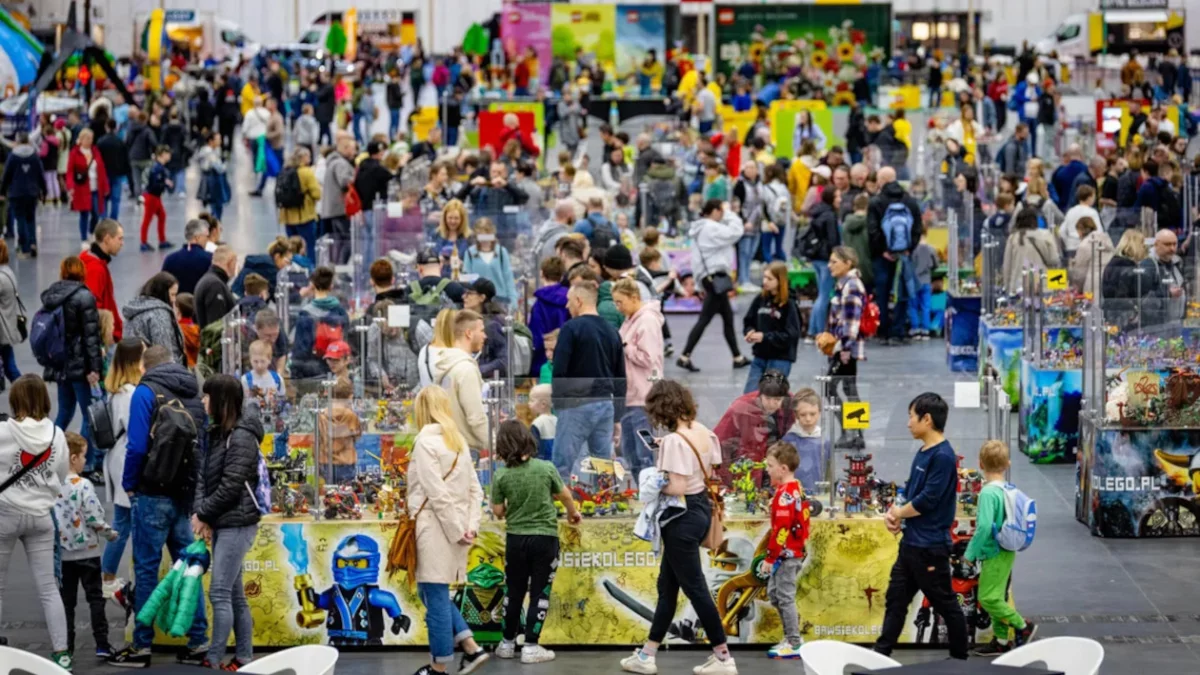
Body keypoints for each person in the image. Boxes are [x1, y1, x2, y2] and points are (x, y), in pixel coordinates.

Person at [620, 379, 737, 675]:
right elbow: (710, 468)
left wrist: (655, 478)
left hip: (680, 517)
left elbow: (677, 485)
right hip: (700, 511)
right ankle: (647, 654)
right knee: (668, 586)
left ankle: (724, 658)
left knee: (695, 589)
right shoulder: (705, 432)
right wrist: (670, 454)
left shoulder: (674, 441)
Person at [108, 346, 210, 667]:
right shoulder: (194, 392)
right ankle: (198, 641)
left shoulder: (145, 392)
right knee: (188, 569)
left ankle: (141, 645)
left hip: (151, 492)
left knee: (148, 568)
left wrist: (129, 483)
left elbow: (137, 445)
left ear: (143, 366)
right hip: (184, 494)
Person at [874, 393, 968, 659]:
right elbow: (913, 492)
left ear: (927, 419)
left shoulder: (944, 457)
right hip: (911, 545)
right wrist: (896, 515)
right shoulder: (924, 451)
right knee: (896, 601)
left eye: (911, 416)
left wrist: (899, 513)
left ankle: (960, 660)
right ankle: (881, 655)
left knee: (946, 604)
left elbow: (928, 499)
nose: (908, 423)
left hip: (930, 548)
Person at [408, 385, 489, 675]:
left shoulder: (424, 443)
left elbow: (436, 492)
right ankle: (470, 647)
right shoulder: (458, 442)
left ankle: (439, 666)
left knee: (436, 598)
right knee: (431, 592)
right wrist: (469, 527)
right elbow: (475, 490)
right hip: (457, 528)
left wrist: (456, 529)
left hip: (436, 527)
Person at [491, 421, 581, 664]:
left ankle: (507, 643)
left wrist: (514, 506)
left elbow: (498, 511)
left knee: (514, 592)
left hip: (516, 540)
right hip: (545, 539)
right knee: (540, 592)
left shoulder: (501, 475)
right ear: (528, 440)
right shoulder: (545, 468)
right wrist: (573, 513)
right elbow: (564, 495)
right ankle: (531, 645)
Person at [0, 375, 71, 669]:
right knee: (48, 588)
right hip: (41, 516)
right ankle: (61, 653)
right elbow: (63, 474)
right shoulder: (57, 435)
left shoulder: (4, 430)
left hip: (4, 512)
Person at [194, 374, 263, 670]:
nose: (202, 401)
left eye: (207, 396)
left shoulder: (242, 436)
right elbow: (203, 477)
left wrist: (203, 513)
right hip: (223, 520)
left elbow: (231, 485)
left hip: (238, 522)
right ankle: (244, 656)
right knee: (234, 595)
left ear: (220, 400)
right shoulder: (218, 432)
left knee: (219, 592)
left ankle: (214, 657)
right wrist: (204, 515)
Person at [964, 441, 1037, 656]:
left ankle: (1023, 626)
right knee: (998, 596)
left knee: (988, 598)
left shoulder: (988, 493)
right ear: (1007, 464)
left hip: (992, 551)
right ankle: (1002, 641)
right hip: (1007, 548)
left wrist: (969, 555)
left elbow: (985, 526)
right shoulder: (1007, 489)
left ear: (980, 464)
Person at [551, 273, 627, 478]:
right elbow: (621, 376)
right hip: (605, 405)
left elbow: (559, 371)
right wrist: (618, 416)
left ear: (578, 300)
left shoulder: (570, 329)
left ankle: (562, 507)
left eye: (568, 301)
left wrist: (557, 405)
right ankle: (603, 504)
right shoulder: (612, 331)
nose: (567, 306)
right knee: (602, 465)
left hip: (575, 404)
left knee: (562, 464)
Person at [55, 430, 118, 658]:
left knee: (66, 603)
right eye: (83, 456)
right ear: (73, 458)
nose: (85, 461)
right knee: (95, 599)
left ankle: (66, 647)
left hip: (63, 555)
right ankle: (102, 643)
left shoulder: (53, 485)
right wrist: (110, 533)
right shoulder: (84, 485)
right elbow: (94, 518)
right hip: (88, 552)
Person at [42, 256, 104, 474]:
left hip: (60, 363)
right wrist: (94, 367)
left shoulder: (53, 296)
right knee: (89, 414)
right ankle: (85, 461)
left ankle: (49, 454)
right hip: (80, 366)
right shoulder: (84, 296)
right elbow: (91, 336)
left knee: (65, 411)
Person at [678, 199, 749, 372]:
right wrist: (731, 213)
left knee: (727, 318)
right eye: (721, 212)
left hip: (709, 278)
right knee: (705, 319)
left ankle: (737, 356)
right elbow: (735, 232)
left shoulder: (700, 228)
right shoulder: (710, 227)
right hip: (715, 278)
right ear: (716, 211)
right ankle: (684, 356)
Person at [100, 338, 144, 601]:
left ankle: (107, 574)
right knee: (123, 523)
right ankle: (107, 576)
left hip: (117, 457)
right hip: (125, 460)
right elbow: (134, 431)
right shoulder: (129, 394)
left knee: (122, 521)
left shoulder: (117, 390)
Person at [761, 442, 812, 660]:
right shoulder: (794, 488)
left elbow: (781, 530)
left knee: (784, 596)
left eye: (770, 465)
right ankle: (791, 637)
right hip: (790, 552)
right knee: (775, 595)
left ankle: (794, 641)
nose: (766, 468)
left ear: (783, 468)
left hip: (787, 555)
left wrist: (771, 558)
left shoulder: (784, 496)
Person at [613, 277, 664, 479]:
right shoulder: (630, 319)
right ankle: (641, 492)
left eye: (620, 302)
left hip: (643, 396)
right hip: (629, 394)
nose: (618, 307)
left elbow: (648, 358)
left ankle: (650, 493)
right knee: (630, 452)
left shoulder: (647, 321)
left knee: (644, 452)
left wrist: (626, 347)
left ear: (634, 297)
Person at [866, 167, 922, 344]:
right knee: (902, 292)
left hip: (882, 257)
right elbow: (917, 229)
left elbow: (872, 230)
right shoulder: (910, 201)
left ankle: (883, 330)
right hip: (904, 256)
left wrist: (882, 250)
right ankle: (898, 330)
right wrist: (908, 249)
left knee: (882, 293)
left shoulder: (876, 202)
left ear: (881, 181)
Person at [430, 310, 491, 449]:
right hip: (467, 449)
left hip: (451, 445)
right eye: (481, 331)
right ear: (469, 333)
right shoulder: (466, 370)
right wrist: (496, 446)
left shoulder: (446, 365)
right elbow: (476, 418)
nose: (485, 336)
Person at [827, 247, 867, 447]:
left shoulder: (851, 286)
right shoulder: (844, 284)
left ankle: (850, 433)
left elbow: (852, 321)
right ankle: (856, 434)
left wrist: (843, 347)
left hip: (844, 349)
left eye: (834, 261)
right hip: (842, 347)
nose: (829, 265)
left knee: (832, 388)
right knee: (848, 388)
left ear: (848, 263)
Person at [741, 261, 801, 392]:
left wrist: (765, 337)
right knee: (749, 397)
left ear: (780, 280)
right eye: (764, 277)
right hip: (760, 356)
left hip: (780, 359)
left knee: (771, 398)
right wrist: (750, 331)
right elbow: (748, 320)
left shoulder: (789, 304)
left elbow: (792, 334)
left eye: (769, 278)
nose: (765, 281)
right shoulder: (760, 299)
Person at [290, 266, 351, 380]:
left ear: (312, 285)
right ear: (331, 286)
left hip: (313, 373)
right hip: (338, 372)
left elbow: (300, 352)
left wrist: (295, 375)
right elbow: (346, 341)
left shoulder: (305, 314)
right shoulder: (341, 312)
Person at [124, 271, 187, 365]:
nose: (174, 300)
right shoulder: (159, 315)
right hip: (159, 371)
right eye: (172, 294)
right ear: (162, 293)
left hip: (133, 366)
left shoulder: (135, 309)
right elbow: (164, 353)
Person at [1, 131, 46, 256]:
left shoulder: (13, 156)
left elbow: (6, 175)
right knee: (31, 218)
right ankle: (33, 243)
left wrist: (2, 191)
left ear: (18, 141)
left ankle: (24, 247)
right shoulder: (34, 156)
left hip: (16, 193)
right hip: (32, 192)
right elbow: (40, 175)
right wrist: (44, 191)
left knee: (20, 218)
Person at [804, 188, 841, 339]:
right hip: (826, 259)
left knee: (820, 295)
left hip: (816, 257)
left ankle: (812, 330)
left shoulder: (817, 213)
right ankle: (819, 331)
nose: (840, 199)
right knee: (824, 296)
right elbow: (833, 240)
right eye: (837, 196)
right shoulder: (830, 216)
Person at [1002, 206, 1061, 294]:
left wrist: (1007, 287)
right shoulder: (1046, 235)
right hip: (1044, 284)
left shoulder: (1013, 238)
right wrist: (1057, 287)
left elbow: (1007, 265)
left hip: (1020, 285)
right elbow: (1054, 260)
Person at [66, 128, 111, 244]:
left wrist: (105, 186)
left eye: (91, 138)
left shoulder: (95, 151)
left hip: (96, 187)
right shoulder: (74, 153)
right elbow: (70, 171)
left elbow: (102, 169)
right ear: (81, 139)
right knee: (84, 213)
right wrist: (70, 186)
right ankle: (83, 238)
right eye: (87, 138)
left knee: (96, 213)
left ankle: (91, 232)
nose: (90, 141)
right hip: (81, 188)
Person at [277, 147, 321, 259]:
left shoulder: (285, 170)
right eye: (308, 156)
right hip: (304, 215)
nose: (310, 159)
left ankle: (295, 268)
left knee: (292, 246)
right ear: (303, 158)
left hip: (287, 216)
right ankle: (310, 270)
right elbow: (317, 194)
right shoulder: (306, 172)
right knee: (309, 246)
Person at [530, 257, 570, 377]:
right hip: (566, 361)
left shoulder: (539, 304)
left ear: (542, 273)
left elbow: (536, 337)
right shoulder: (570, 299)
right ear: (562, 276)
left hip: (543, 362)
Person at [1102, 229, 1149, 330]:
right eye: (1142, 244)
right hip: (1125, 319)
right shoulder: (1129, 268)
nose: (1145, 247)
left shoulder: (1113, 263)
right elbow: (1125, 295)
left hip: (1110, 315)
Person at [780, 388, 826, 492]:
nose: (808, 419)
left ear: (819, 413)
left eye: (812, 414)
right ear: (796, 415)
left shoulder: (824, 440)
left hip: (819, 493)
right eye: (803, 414)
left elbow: (828, 471)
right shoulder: (788, 440)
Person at [1139, 228, 1186, 329]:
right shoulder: (1148, 265)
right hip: (1155, 327)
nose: (1172, 248)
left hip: (1176, 323)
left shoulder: (1177, 263)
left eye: (1175, 244)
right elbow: (1144, 300)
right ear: (1156, 244)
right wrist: (1168, 293)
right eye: (1167, 244)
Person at [321, 135, 356, 264]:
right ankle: (340, 267)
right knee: (347, 241)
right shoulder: (341, 163)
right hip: (340, 209)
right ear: (345, 148)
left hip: (332, 209)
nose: (355, 152)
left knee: (338, 241)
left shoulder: (333, 162)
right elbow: (344, 181)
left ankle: (336, 266)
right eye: (353, 149)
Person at [162, 218, 213, 294]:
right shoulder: (210, 259)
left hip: (177, 303)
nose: (208, 240)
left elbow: (162, 286)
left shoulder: (169, 259)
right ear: (197, 237)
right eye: (206, 236)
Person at [137, 144, 173, 251]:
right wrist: (165, 183)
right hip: (152, 197)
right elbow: (154, 185)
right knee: (147, 220)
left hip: (156, 197)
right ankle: (143, 242)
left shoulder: (158, 167)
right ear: (162, 155)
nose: (169, 156)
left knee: (162, 216)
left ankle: (162, 240)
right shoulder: (156, 168)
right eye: (167, 154)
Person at [195, 245, 238, 328]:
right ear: (230, 262)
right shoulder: (215, 286)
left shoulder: (209, 280)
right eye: (235, 263)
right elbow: (216, 325)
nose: (235, 267)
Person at [95, 119, 130, 219]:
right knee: (116, 199)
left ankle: (104, 219)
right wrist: (125, 171)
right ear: (116, 127)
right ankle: (114, 219)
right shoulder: (120, 142)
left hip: (104, 173)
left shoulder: (101, 141)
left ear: (106, 127)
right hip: (117, 173)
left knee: (103, 197)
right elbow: (125, 158)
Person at [195, 131, 230, 220]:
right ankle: (214, 226)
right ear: (211, 141)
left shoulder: (214, 150)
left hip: (214, 180)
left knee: (217, 205)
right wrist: (224, 165)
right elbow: (219, 168)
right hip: (212, 180)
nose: (220, 141)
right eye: (218, 139)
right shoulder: (208, 152)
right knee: (215, 205)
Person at [0, 242, 21, 388]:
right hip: (6, 329)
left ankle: (27, 397)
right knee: (10, 367)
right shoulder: (7, 272)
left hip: (2, 330)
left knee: (10, 368)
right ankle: (27, 398)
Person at [1060, 185, 1102, 257]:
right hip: (1088, 248)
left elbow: (1062, 231)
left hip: (1071, 247)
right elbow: (1099, 231)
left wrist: (1068, 243)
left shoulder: (1071, 211)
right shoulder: (1092, 212)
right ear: (1089, 197)